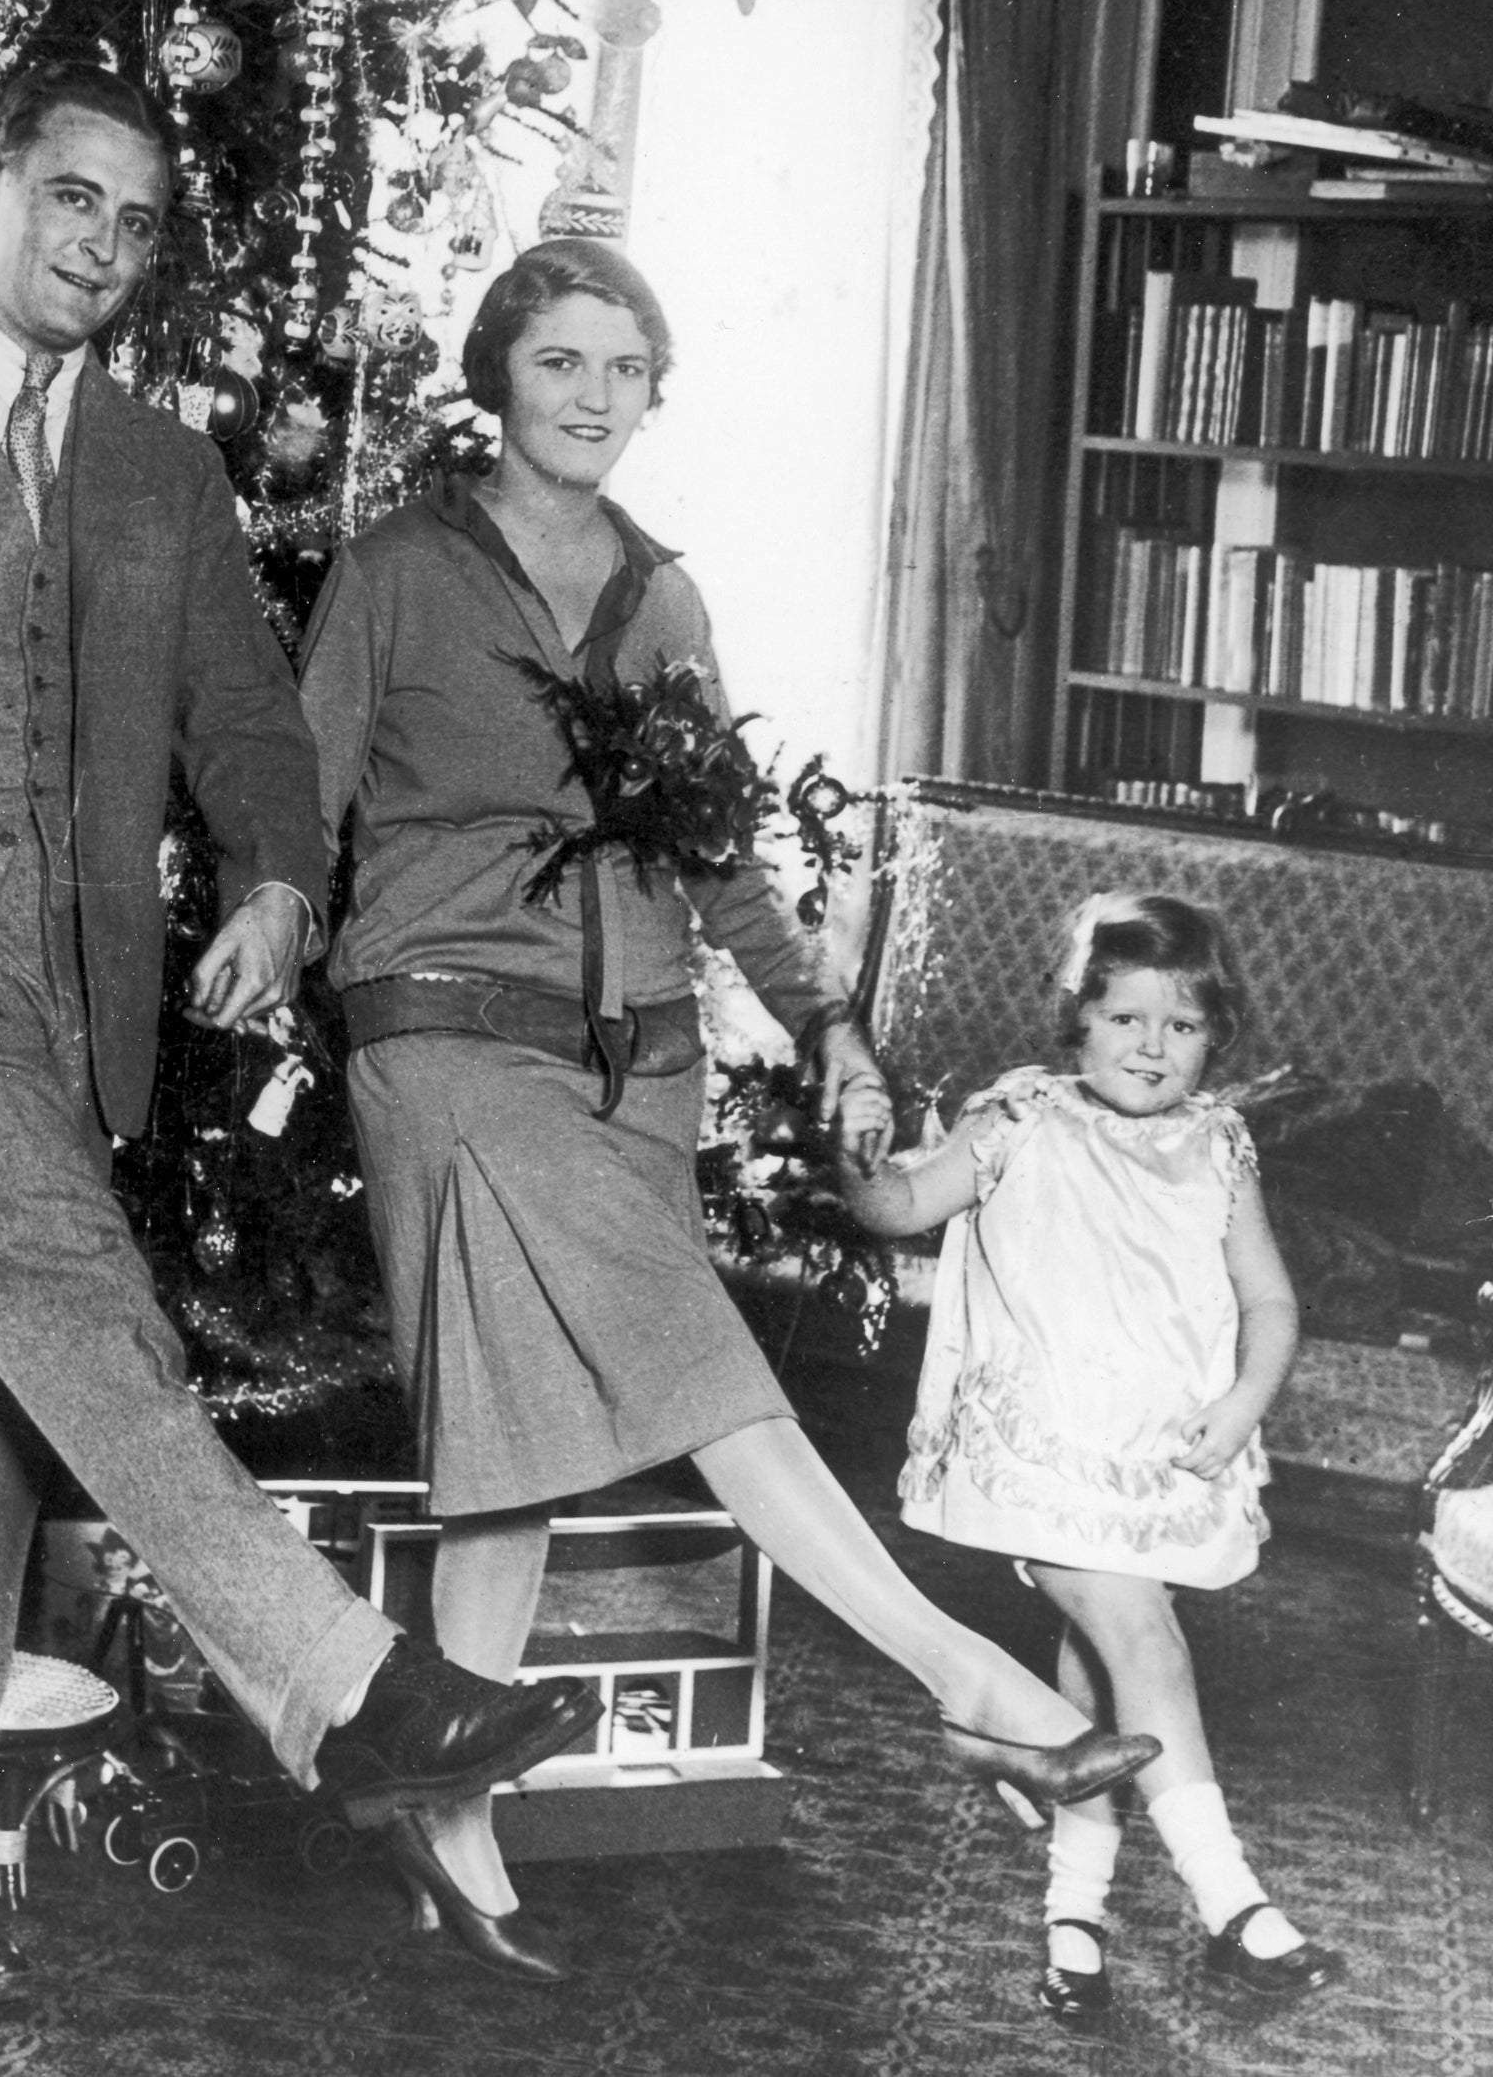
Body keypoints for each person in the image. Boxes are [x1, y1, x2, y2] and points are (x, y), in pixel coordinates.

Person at [0, 62, 597, 2009]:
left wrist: (272, 877)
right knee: (92, 1321)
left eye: (134, 221)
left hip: (63, 1000)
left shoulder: (161, 478)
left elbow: (251, 722)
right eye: (68, 199)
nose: (98, 242)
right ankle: (339, 1685)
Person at [295, 239, 1160, 1985]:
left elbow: (714, 856)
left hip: (634, 1056)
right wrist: (269, 949)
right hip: (444, 1032)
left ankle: (448, 1838)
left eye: (624, 367)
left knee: (506, 1456)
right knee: (699, 1365)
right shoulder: (394, 573)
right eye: (559, 361)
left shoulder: (661, 597)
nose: (593, 396)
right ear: (497, 374)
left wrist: (832, 1024)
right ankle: (970, 1686)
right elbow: (296, 801)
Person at [840, 892, 1343, 2025]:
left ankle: (1073, 1924)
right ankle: (1234, 1911)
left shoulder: (1215, 1142)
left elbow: (1268, 1299)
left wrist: (1242, 1401)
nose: (1150, 1047)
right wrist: (854, 1164)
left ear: (1215, 1038)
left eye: (1180, 1026)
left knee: (1098, 1674)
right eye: (1123, 1019)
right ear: (1074, 1020)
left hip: (1153, 1459)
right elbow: (898, 1205)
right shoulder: (1018, 1118)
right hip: (1040, 1454)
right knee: (1141, 1636)